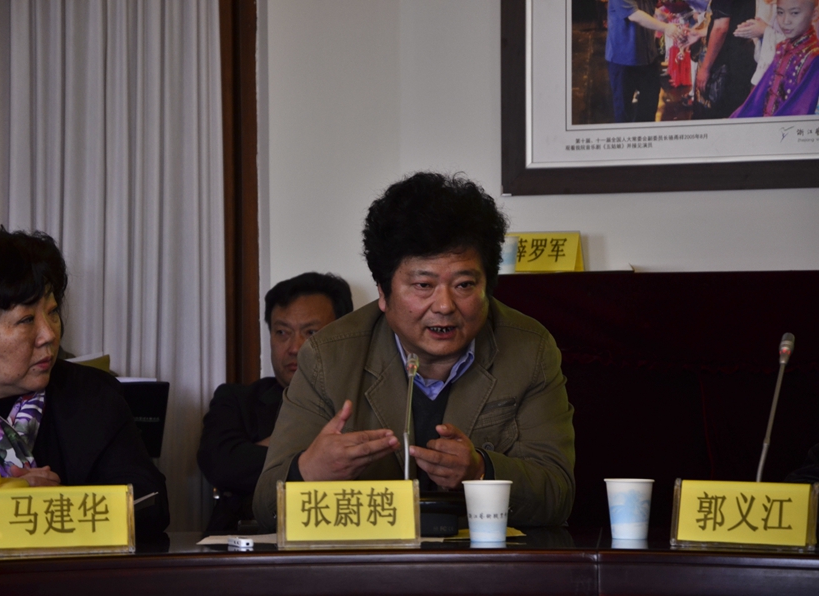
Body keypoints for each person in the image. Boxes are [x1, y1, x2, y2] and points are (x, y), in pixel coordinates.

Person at [253, 172, 576, 531]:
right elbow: (265, 505)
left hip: (482, 560)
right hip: (370, 561)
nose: (445, 305)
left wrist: (480, 471)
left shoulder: (529, 350)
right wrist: (309, 472)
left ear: (487, 286)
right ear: (383, 291)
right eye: (423, 285)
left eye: (464, 285)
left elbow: (557, 495)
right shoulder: (328, 357)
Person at [0, 228, 169, 536]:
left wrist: (55, 504)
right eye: (26, 320)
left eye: (52, 313)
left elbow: (152, 504)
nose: (49, 334)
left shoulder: (92, 394)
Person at [197, 272, 353, 534]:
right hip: (248, 543)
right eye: (282, 332)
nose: (294, 348)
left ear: (344, 334)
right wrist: (315, 456)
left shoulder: (365, 399)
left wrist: (268, 449)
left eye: (311, 332)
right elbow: (221, 464)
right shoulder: (237, 400)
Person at [731, 0, 819, 117]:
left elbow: (800, 111)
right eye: (780, 12)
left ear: (814, 14)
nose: (785, 21)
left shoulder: (814, 58)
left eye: (795, 13)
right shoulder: (782, 48)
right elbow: (758, 98)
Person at [606, 0, 685, 122]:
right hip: (623, 58)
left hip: (648, 56)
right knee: (623, 110)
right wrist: (666, 28)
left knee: (649, 105)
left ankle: (645, 132)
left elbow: (647, 6)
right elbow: (633, 14)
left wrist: (661, 14)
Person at [691, 0, 757, 119]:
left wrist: (705, 68)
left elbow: (721, 28)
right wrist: (700, 33)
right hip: (742, 54)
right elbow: (733, 21)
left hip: (726, 61)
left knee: (715, 113)